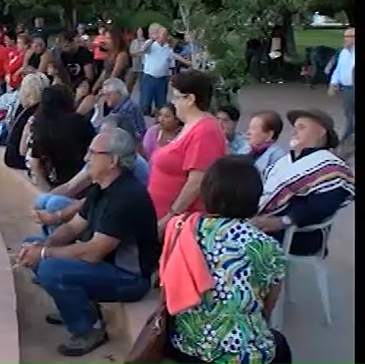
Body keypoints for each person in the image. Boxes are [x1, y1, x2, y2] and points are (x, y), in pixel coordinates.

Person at [12, 127, 159, 357]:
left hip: (129, 278)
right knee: (33, 245)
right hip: (106, 267)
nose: (85, 158)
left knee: (51, 268)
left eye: (92, 153)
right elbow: (73, 227)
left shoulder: (126, 197)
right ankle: (77, 307)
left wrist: (43, 254)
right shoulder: (101, 187)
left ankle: (88, 330)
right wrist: (42, 246)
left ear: (112, 160)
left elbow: (94, 252)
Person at [164, 156, 292, 364]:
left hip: (187, 346)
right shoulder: (267, 246)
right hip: (244, 355)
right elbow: (268, 305)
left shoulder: (181, 228)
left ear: (207, 191)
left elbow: (168, 282)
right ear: (254, 196)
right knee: (279, 345)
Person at [250, 109, 355, 256]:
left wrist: (283, 221)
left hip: (297, 235)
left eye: (301, 127)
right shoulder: (285, 161)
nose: (294, 131)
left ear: (321, 133)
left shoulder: (330, 166)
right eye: (294, 127)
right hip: (265, 224)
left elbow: (323, 206)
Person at [147, 70, 228, 232]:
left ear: (190, 99)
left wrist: (170, 216)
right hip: (161, 215)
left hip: (180, 223)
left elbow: (196, 181)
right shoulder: (189, 126)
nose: (173, 102)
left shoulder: (205, 130)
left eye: (176, 96)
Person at [27, 85, 96, 189]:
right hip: (82, 178)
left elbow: (34, 162)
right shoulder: (79, 121)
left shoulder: (39, 125)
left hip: (56, 180)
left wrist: (47, 191)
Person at [134, 23, 176, 116]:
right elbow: (143, 49)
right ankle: (144, 115)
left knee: (161, 102)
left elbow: (171, 58)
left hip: (162, 77)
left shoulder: (167, 47)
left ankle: (158, 120)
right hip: (149, 75)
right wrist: (152, 39)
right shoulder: (151, 44)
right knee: (145, 102)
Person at [327, 27, 355, 159]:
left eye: (349, 37)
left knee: (351, 119)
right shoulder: (344, 53)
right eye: (345, 36)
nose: (346, 39)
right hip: (347, 90)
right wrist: (333, 83)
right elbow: (338, 69)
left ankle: (344, 146)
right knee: (349, 115)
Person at [245, 110, 287, 175]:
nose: (248, 132)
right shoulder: (247, 149)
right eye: (249, 128)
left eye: (254, 128)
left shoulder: (278, 157)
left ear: (269, 135)